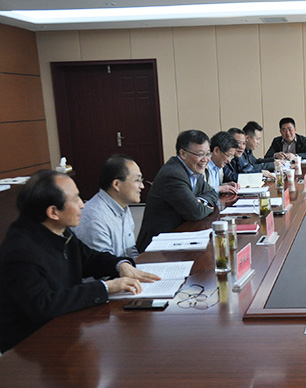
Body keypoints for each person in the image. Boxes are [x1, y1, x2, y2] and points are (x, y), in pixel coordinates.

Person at [0, 170, 159, 353]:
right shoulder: (21, 250)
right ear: (53, 212)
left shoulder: (58, 230)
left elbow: (89, 258)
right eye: (75, 199)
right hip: (31, 346)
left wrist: (121, 265)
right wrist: (105, 287)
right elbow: (44, 304)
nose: (82, 205)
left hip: (64, 326)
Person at [136, 129, 219, 252]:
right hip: (158, 245)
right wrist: (205, 207)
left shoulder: (194, 169)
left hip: (179, 235)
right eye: (200, 154)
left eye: (208, 154)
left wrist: (200, 201)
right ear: (183, 153)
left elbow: (212, 193)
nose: (205, 159)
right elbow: (196, 212)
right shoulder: (173, 174)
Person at [73, 154, 143, 259]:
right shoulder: (94, 218)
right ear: (116, 184)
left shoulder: (122, 206)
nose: (142, 186)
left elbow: (130, 251)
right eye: (137, 180)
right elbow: (103, 264)